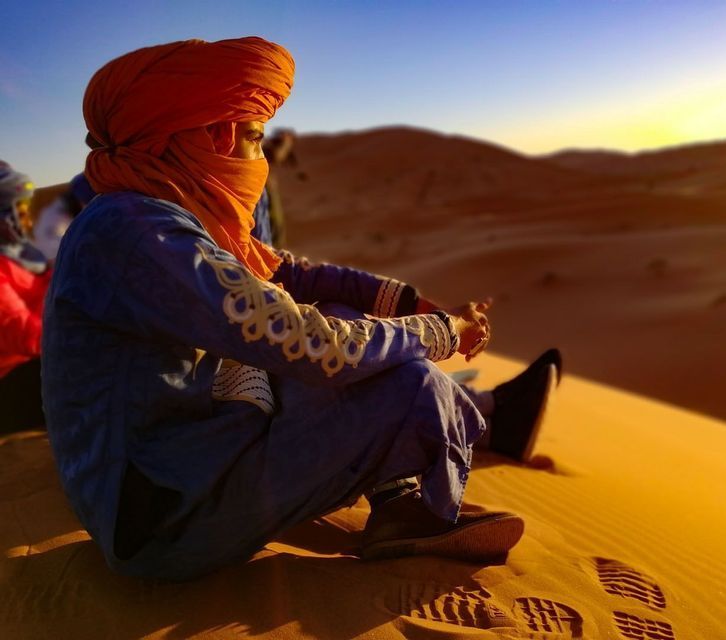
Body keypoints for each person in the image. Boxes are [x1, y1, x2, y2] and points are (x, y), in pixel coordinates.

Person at [42, 37, 560, 581]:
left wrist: (405, 302)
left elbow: (285, 272)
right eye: (253, 136)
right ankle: (418, 510)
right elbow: (314, 345)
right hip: (162, 514)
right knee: (407, 382)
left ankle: (400, 495)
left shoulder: (151, 211)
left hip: (172, 469)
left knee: (348, 321)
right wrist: (441, 330)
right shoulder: (133, 231)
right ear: (209, 135)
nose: (259, 160)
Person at [0, 162, 51, 433]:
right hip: (10, 380)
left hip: (37, 362)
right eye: (20, 213)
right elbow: (26, 336)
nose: (28, 221)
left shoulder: (23, 255)